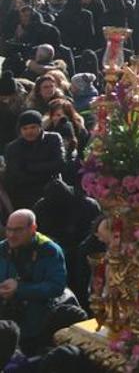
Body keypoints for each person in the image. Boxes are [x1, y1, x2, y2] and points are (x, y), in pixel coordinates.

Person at [0, 209, 72, 354]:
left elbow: (56, 287)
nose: (11, 235)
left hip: (35, 324)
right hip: (6, 320)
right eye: (9, 229)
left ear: (33, 228)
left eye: (18, 230)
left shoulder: (49, 250)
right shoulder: (3, 248)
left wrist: (19, 289)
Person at [2, 111, 63, 211]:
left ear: (40, 127)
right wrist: (45, 170)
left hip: (53, 190)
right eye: (25, 128)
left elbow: (60, 164)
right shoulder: (12, 148)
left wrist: (30, 167)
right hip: (25, 195)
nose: (29, 132)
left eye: (33, 127)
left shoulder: (53, 139)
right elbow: (17, 175)